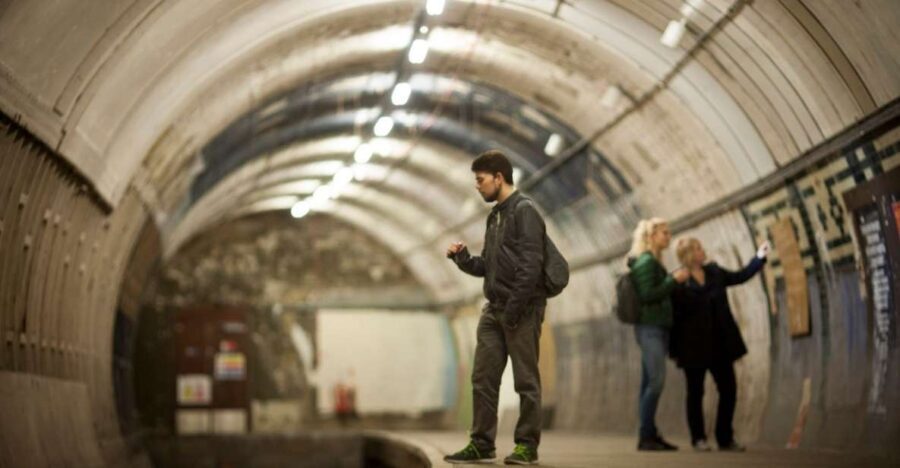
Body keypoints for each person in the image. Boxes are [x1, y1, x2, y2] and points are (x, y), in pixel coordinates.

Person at [444, 150, 547, 465]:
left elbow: (532, 266)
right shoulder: (496, 215)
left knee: (525, 381)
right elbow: (488, 266)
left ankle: (527, 445)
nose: (477, 186)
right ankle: (482, 443)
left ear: (498, 177)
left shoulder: (525, 211)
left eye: (480, 180)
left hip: (521, 310)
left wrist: (514, 310)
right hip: (493, 310)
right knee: (483, 378)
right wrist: (463, 259)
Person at [670, 238, 769, 452]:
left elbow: (739, 277)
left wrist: (759, 258)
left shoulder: (714, 272)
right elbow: (673, 317)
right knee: (695, 393)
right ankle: (698, 438)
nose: (702, 250)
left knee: (728, 389)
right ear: (688, 255)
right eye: (697, 248)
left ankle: (724, 437)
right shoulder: (677, 281)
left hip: (719, 342)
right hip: (693, 346)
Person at [627, 218, 689, 451]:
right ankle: (645, 436)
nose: (668, 236)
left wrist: (669, 280)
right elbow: (647, 295)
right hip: (649, 328)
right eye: (664, 233)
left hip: (657, 327)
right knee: (656, 381)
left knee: (648, 381)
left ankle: (650, 433)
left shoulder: (654, 262)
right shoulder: (646, 262)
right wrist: (673, 280)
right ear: (651, 236)